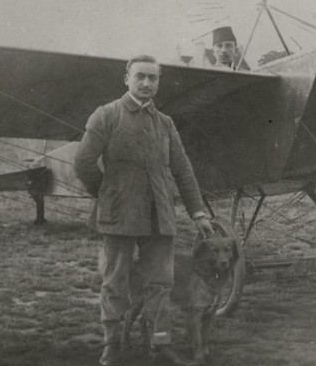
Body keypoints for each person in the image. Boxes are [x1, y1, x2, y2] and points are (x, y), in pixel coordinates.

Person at [74, 55, 213, 366]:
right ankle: (112, 345)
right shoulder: (106, 115)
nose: (147, 83)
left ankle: (160, 345)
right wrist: (108, 194)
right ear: (127, 78)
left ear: (158, 82)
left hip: (159, 217)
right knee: (116, 282)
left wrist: (198, 212)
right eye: (141, 76)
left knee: (161, 283)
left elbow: (183, 170)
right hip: (118, 216)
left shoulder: (165, 123)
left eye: (153, 78)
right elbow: (83, 163)